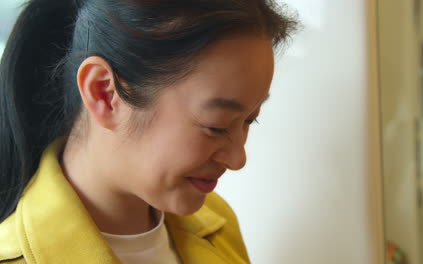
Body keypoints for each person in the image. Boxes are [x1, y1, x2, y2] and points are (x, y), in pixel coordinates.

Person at [0, 0, 297, 263]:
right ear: (103, 92)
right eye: (216, 126)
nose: (237, 159)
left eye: (249, 120)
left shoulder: (218, 224)